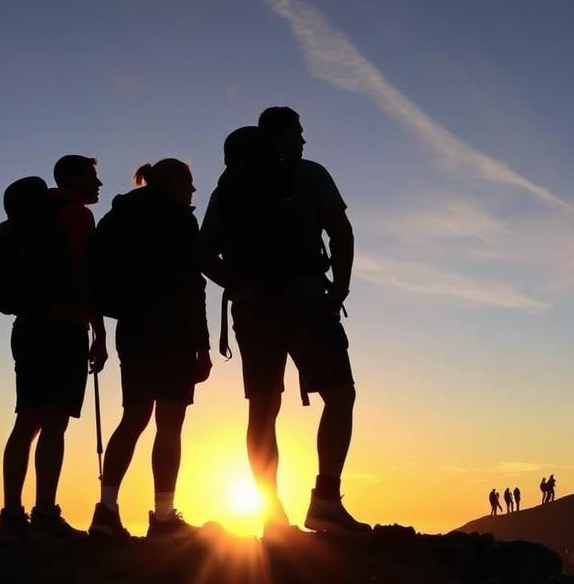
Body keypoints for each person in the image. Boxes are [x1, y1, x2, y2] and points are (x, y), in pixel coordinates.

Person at [199, 107, 369, 535]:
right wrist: (339, 289)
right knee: (339, 395)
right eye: (299, 133)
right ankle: (326, 501)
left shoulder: (229, 188)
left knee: (263, 408)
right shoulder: (309, 174)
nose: (304, 141)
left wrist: (238, 283)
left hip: (253, 309)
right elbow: (341, 231)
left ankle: (270, 512)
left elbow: (202, 253)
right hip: (307, 300)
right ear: (283, 136)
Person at [88, 159, 211, 539]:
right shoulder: (178, 218)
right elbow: (193, 285)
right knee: (169, 424)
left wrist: (101, 331)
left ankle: (106, 510)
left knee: (133, 418)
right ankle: (162, 517)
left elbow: (93, 272)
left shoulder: (120, 216)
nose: (193, 191)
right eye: (190, 182)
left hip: (133, 328)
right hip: (173, 331)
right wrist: (202, 346)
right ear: (173, 182)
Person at [0, 155, 107, 542]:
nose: (99, 184)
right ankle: (45, 513)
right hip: (64, 327)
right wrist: (99, 329)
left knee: (27, 419)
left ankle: (12, 515)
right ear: (73, 178)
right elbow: (83, 273)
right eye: (92, 177)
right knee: (55, 421)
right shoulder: (75, 215)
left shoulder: (24, 221)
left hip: (27, 326)